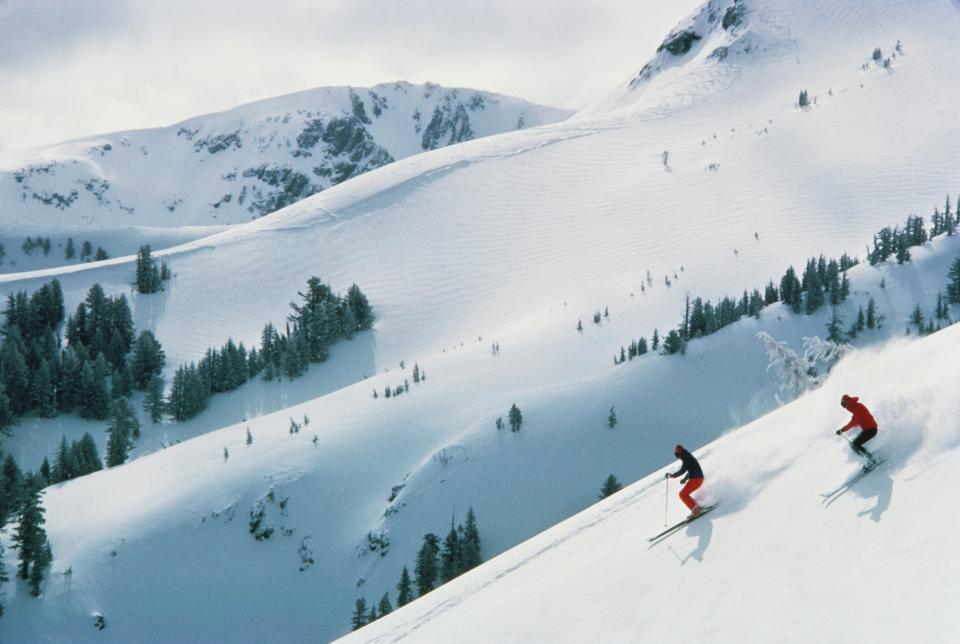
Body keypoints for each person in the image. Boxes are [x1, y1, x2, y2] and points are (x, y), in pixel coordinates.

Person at [836, 394, 878, 465]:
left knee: (855, 444)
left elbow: (853, 422)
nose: (844, 407)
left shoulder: (856, 408)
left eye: (844, 405)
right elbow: (858, 420)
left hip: (871, 430)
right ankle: (870, 459)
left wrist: (842, 430)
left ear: (847, 402)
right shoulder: (856, 407)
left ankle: (870, 460)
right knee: (854, 444)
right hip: (868, 429)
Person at [665, 444, 704, 519]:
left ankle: (696, 510)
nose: (678, 458)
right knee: (684, 494)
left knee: (682, 494)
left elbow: (683, 470)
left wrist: (672, 475)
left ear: (678, 453)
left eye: (676, 455)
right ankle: (697, 507)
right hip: (698, 478)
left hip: (696, 479)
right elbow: (692, 469)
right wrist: (685, 478)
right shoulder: (688, 456)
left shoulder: (686, 457)